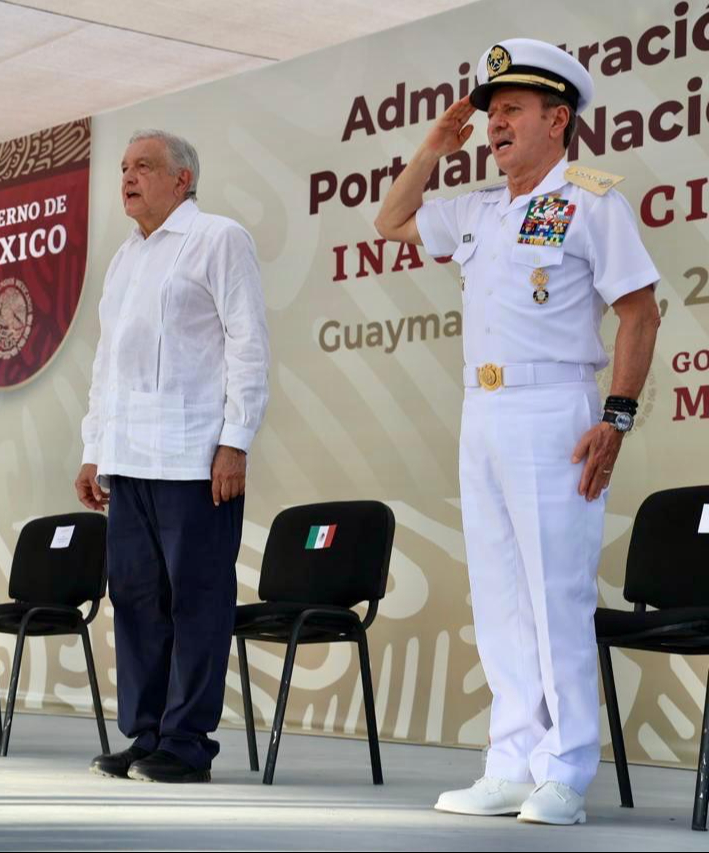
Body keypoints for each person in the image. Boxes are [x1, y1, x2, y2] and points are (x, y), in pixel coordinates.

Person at [374, 39, 661, 825]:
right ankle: (509, 760)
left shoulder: (592, 196)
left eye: (511, 111)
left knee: (555, 595)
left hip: (555, 412)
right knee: (498, 595)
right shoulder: (478, 208)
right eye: (491, 111)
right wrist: (436, 145)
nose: (495, 125)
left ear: (556, 119)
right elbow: (390, 217)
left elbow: (639, 310)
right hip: (483, 412)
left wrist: (617, 417)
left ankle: (565, 769)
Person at [75, 129, 270, 783]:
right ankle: (148, 731)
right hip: (129, 459)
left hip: (194, 457)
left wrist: (236, 438)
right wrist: (93, 448)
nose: (128, 177)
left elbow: (247, 341)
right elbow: (107, 364)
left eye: (144, 167)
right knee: (134, 600)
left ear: (182, 178)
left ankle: (188, 740)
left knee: (198, 600)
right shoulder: (124, 259)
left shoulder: (219, 237)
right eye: (124, 167)